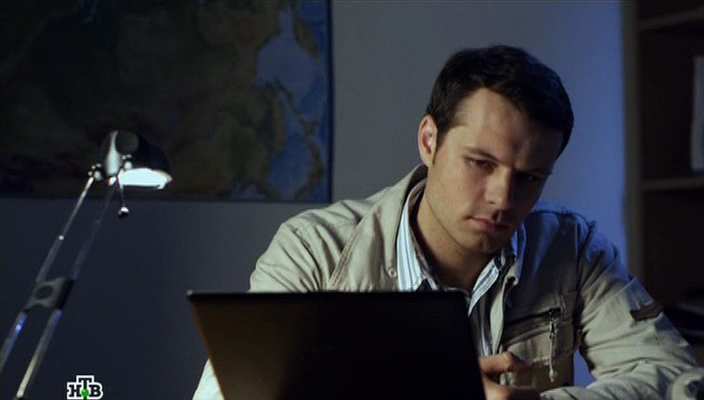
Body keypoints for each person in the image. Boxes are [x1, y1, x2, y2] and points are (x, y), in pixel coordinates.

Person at [193, 45, 699, 399]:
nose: (503, 198)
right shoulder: (314, 251)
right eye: (481, 163)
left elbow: (676, 378)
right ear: (429, 141)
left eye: (529, 178)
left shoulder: (572, 246)